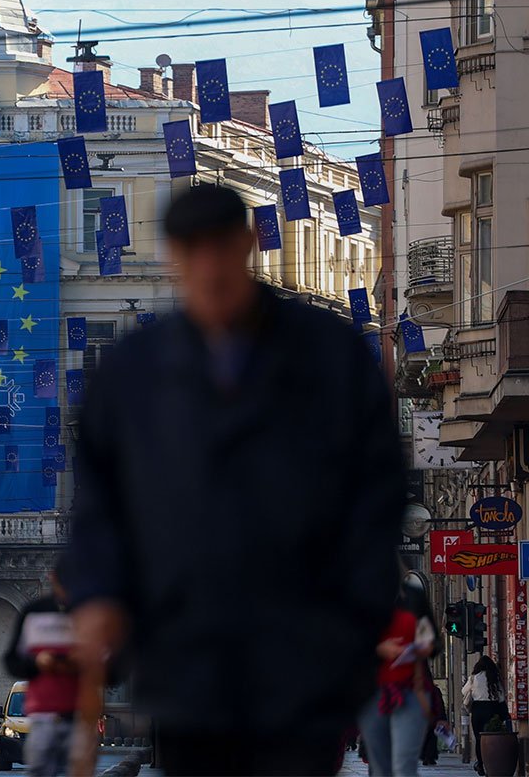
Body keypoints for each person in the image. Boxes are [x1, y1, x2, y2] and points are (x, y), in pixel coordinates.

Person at [65, 184, 407, 776]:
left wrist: (353, 619)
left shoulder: (329, 356)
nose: (208, 269)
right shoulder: (133, 373)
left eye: (220, 249)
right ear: (173, 255)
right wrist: (99, 594)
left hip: (304, 654)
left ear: (246, 245)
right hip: (184, 655)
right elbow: (101, 504)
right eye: (191, 252)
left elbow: (376, 494)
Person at [2, 560, 78, 777]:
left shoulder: (90, 614)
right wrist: (37, 663)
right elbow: (11, 661)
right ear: (54, 579)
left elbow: (112, 669)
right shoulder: (34, 614)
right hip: (42, 715)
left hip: (81, 715)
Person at [358, 577, 437, 777]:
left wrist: (427, 646)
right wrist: (378, 649)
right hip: (372, 692)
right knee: (379, 768)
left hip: (411, 689)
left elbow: (435, 641)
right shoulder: (357, 596)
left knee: (404, 766)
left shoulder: (413, 595)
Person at [463, 655, 508, 775]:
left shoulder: (474, 678)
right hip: (492, 709)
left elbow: (464, 691)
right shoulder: (495, 678)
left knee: (479, 739)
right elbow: (502, 697)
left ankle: (481, 764)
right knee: (492, 738)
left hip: (478, 710)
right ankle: (491, 764)